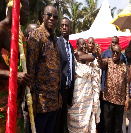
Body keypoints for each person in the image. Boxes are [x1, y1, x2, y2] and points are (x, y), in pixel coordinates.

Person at [27, 5, 61, 133]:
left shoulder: (54, 39)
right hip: (41, 104)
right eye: (49, 15)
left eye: (55, 16)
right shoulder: (36, 36)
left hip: (53, 103)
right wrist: (32, 103)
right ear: (43, 17)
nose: (52, 18)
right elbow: (31, 70)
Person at [0, 0, 30, 132]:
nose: (28, 14)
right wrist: (13, 75)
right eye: (26, 10)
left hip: (16, 105)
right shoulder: (1, 30)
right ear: (17, 7)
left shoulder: (20, 34)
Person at [68, 37, 101, 133]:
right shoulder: (77, 55)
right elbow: (92, 57)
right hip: (78, 95)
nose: (83, 46)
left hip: (87, 96)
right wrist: (95, 53)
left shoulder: (87, 61)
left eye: (84, 44)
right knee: (76, 120)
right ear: (77, 46)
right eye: (81, 44)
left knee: (87, 120)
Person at [97, 44, 129, 133]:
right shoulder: (108, 61)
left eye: (117, 53)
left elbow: (126, 83)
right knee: (107, 126)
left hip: (120, 102)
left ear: (120, 54)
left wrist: (127, 99)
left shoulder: (124, 66)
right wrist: (99, 55)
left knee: (117, 127)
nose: (114, 54)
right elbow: (101, 64)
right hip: (108, 100)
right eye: (113, 52)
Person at [54, 17, 75, 133]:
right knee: (57, 123)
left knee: (63, 122)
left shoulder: (71, 47)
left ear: (70, 28)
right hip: (59, 90)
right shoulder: (57, 43)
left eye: (66, 25)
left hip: (67, 90)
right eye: (62, 25)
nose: (64, 27)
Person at [122, 45, 131, 133]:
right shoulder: (123, 64)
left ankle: (130, 131)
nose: (129, 54)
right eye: (127, 52)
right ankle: (123, 131)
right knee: (123, 114)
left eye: (130, 52)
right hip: (123, 92)